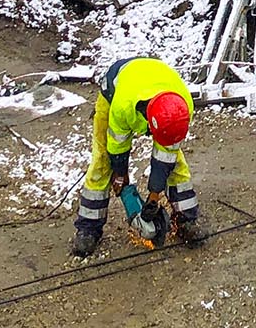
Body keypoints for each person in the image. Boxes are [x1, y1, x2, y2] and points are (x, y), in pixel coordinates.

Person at [71, 57, 205, 257]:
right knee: (102, 162)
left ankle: (186, 219)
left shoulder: (182, 108)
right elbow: (117, 147)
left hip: (158, 94)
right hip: (115, 91)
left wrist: (153, 197)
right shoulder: (123, 107)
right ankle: (88, 228)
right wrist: (121, 177)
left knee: (174, 163)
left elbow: (166, 155)